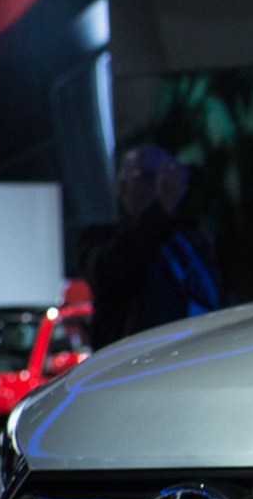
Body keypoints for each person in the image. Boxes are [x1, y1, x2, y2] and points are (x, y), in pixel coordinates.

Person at [87, 144, 223, 348]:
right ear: (124, 186)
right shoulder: (101, 237)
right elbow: (114, 270)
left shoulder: (189, 237)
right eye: (152, 176)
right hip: (147, 363)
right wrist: (162, 208)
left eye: (170, 176)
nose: (163, 185)